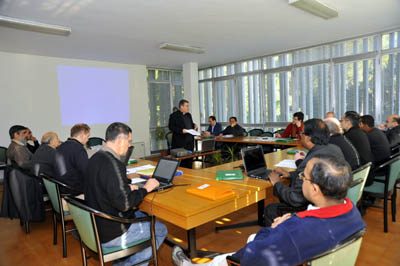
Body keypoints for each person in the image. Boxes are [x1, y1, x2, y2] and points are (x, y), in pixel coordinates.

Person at [172, 155, 365, 266]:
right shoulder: (352, 212)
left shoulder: (293, 230)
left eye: (303, 178)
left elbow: (251, 257)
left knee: (229, 256)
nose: (300, 180)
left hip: (255, 256)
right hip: (309, 251)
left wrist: (274, 229)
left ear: (315, 189)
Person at [85, 122, 167, 266]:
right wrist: (145, 188)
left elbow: (105, 188)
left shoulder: (95, 159)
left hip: (96, 226)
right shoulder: (114, 164)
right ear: (120, 140)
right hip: (114, 231)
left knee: (146, 216)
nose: (130, 145)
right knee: (160, 229)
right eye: (129, 141)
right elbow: (125, 204)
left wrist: (126, 187)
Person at [264, 118, 344, 226]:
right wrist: (290, 174)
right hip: (330, 202)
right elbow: (318, 176)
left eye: (301, 133)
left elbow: (295, 199)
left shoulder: (311, 161)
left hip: (310, 207)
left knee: (270, 209)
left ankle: (279, 239)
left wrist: (276, 183)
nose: (300, 135)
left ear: (308, 137)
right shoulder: (334, 148)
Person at [56, 123, 90, 193]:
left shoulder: (60, 147)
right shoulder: (79, 149)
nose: (88, 140)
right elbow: (86, 171)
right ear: (82, 135)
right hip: (73, 188)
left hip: (60, 187)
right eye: (87, 136)